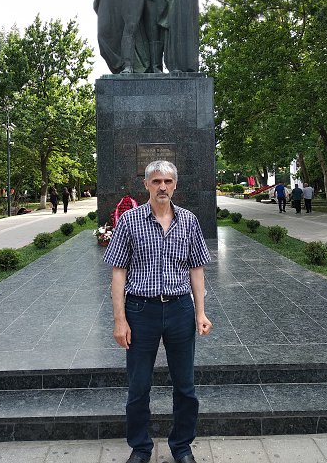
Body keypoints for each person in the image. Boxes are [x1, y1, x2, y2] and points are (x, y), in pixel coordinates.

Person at [104, 160, 212, 463]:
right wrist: (120, 320)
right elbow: (118, 273)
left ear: (175, 185)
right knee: (138, 387)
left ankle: (182, 447)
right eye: (156, 181)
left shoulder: (189, 220)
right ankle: (140, 448)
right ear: (146, 185)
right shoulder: (129, 221)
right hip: (141, 311)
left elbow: (197, 269)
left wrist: (200, 313)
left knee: (185, 386)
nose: (162, 187)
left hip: (180, 309)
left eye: (167, 181)